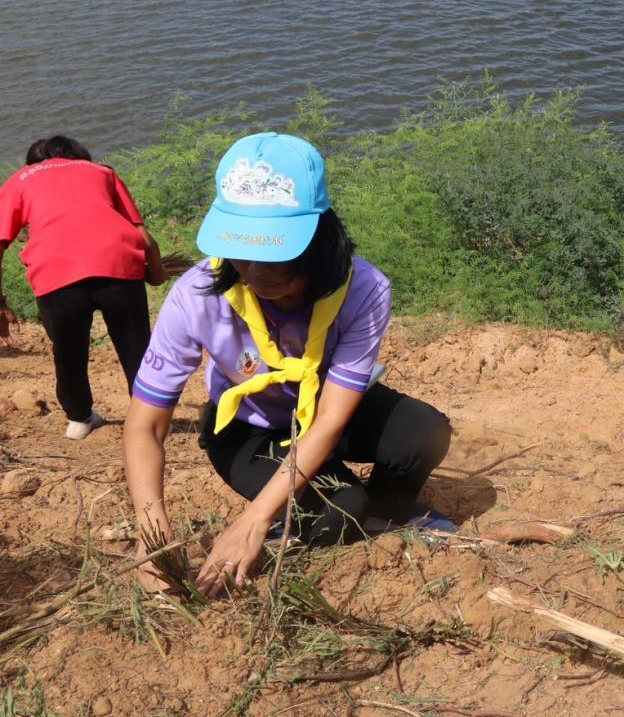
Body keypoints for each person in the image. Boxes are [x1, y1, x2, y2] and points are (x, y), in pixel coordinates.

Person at [124, 132, 453, 597]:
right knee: (340, 510)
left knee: (424, 432)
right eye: (243, 251)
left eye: (275, 251)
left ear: (322, 232)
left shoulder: (364, 290)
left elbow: (331, 422)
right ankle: (330, 508)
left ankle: (387, 513)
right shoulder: (196, 295)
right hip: (248, 429)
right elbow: (146, 426)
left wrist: (253, 520)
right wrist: (151, 537)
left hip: (323, 413)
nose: (256, 272)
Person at [0, 136, 167, 439]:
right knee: (136, 348)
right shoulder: (102, 172)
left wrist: (0, 302)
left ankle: (79, 419)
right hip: (119, 265)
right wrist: (156, 273)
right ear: (79, 156)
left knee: (68, 353)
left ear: (32, 163)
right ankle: (149, 422)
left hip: (55, 272)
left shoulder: (20, 178)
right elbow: (144, 237)